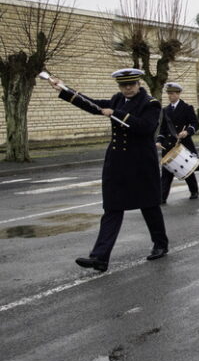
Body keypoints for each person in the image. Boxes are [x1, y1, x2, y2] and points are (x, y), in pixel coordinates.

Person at [47, 68, 168, 272]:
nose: (127, 88)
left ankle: (160, 244)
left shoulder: (151, 104)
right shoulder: (117, 99)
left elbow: (146, 127)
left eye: (131, 84)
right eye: (123, 85)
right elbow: (94, 105)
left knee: (149, 206)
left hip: (140, 164)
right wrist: (65, 90)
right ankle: (100, 257)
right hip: (118, 163)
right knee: (112, 208)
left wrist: (118, 114)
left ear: (139, 84)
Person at [157, 82, 199, 203]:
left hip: (183, 144)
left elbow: (195, 124)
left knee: (186, 170)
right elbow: (163, 129)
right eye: (168, 94)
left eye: (172, 93)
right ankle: (162, 197)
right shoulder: (165, 110)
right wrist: (159, 140)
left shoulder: (187, 108)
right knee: (166, 172)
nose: (169, 96)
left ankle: (194, 191)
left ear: (178, 94)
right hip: (168, 145)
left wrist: (187, 132)